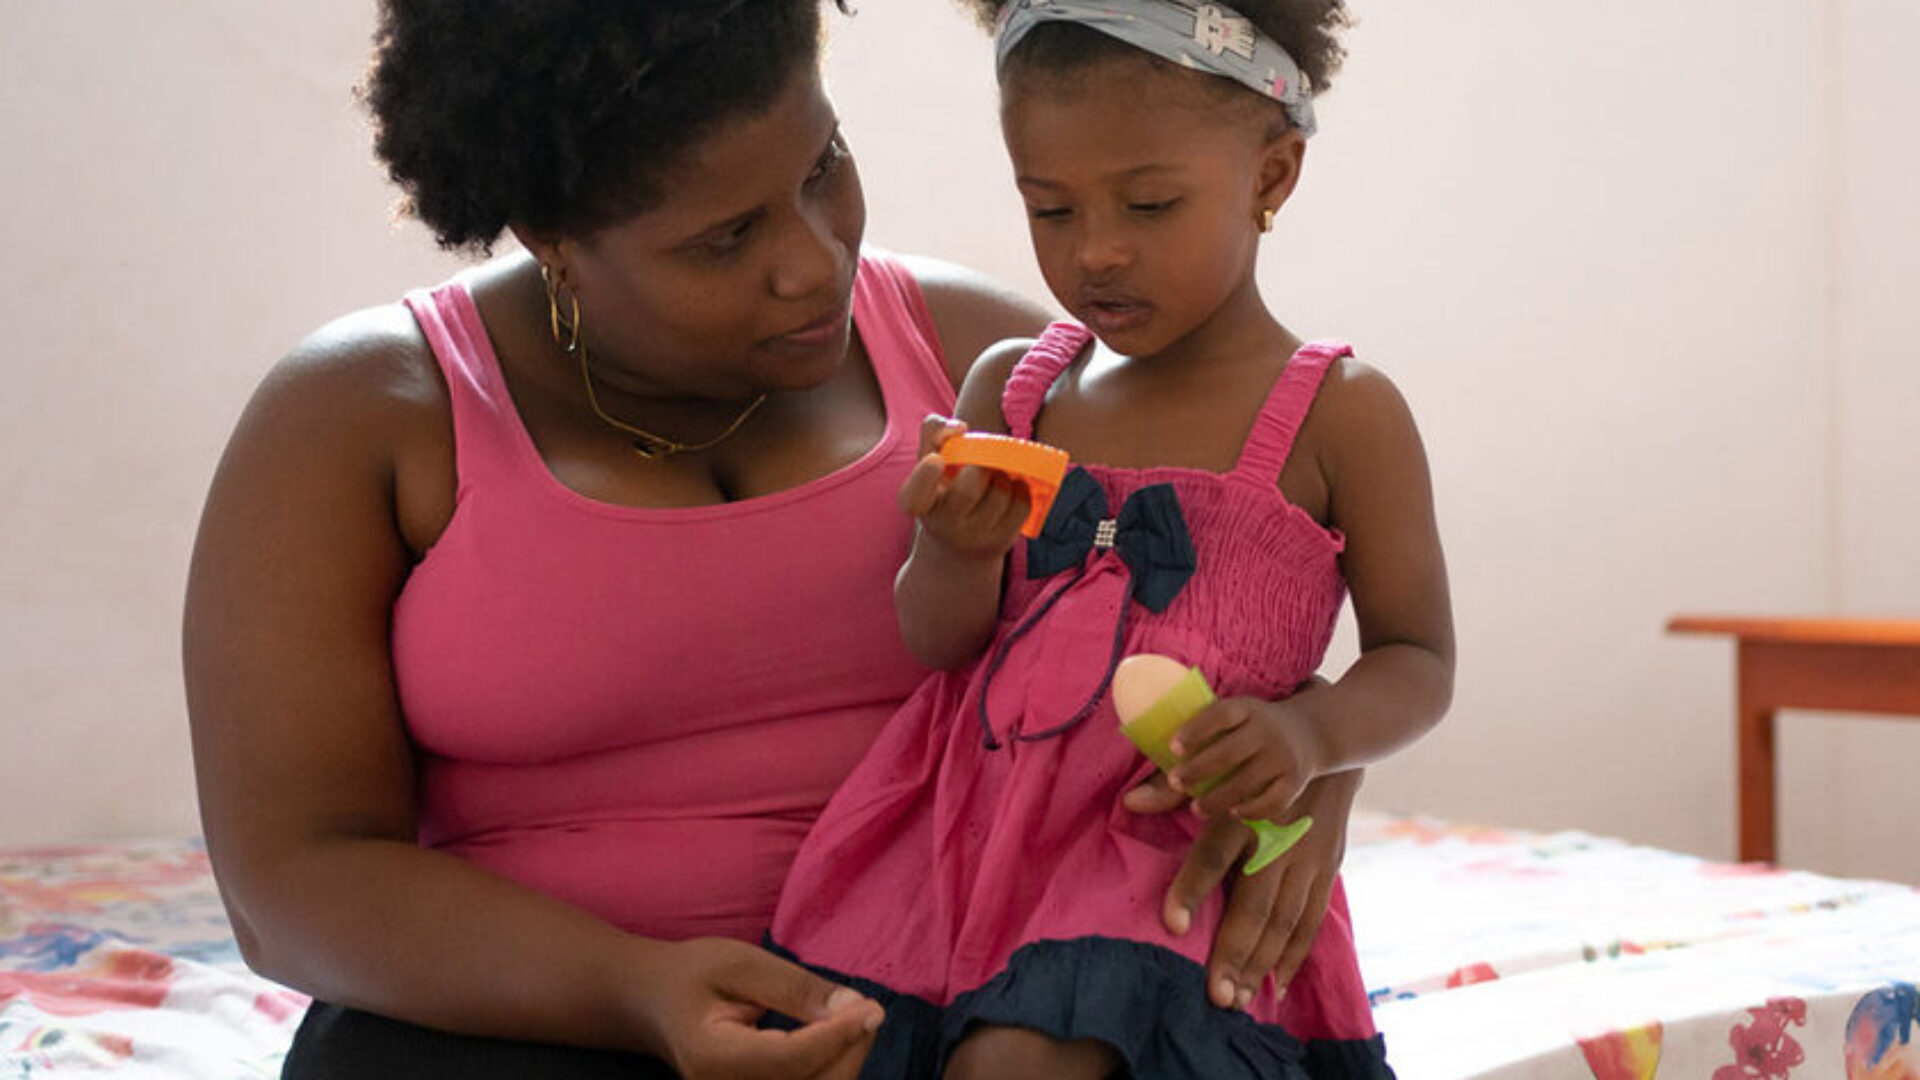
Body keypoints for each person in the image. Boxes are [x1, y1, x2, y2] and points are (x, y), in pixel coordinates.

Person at [180, 2, 1360, 1077]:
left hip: (953, 1002)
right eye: (725, 237)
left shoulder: (994, 369)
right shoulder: (364, 418)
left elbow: (1238, 606)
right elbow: (293, 882)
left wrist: (1324, 764)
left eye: (823, 166)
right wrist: (635, 989)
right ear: (551, 235)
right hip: (513, 1025)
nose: (812, 260)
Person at [767, 1, 1455, 1077]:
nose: (1095, 252)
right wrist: (955, 551)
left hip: (1164, 859)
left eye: (1149, 204)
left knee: (1018, 1063)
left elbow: (1419, 660)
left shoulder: (1342, 414)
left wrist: (1312, 736)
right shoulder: (1013, 389)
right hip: (966, 858)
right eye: (1050, 209)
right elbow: (940, 645)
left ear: (1272, 176)